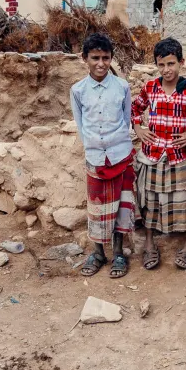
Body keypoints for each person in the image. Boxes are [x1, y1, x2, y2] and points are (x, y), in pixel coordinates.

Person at [131, 37, 186, 271]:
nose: (166, 70)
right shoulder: (150, 88)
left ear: (181, 62)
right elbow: (135, 108)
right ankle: (149, 243)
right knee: (150, 199)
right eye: (161, 65)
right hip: (153, 154)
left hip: (179, 156)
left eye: (171, 64)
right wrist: (139, 129)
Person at [69, 33, 134, 279]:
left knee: (121, 207)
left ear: (111, 58)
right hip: (96, 159)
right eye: (95, 58)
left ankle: (118, 253)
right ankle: (98, 253)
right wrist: (94, 148)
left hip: (120, 156)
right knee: (97, 208)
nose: (101, 63)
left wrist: (116, 145)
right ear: (84, 58)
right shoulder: (77, 90)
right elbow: (81, 125)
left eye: (105, 58)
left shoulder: (122, 87)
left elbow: (126, 120)